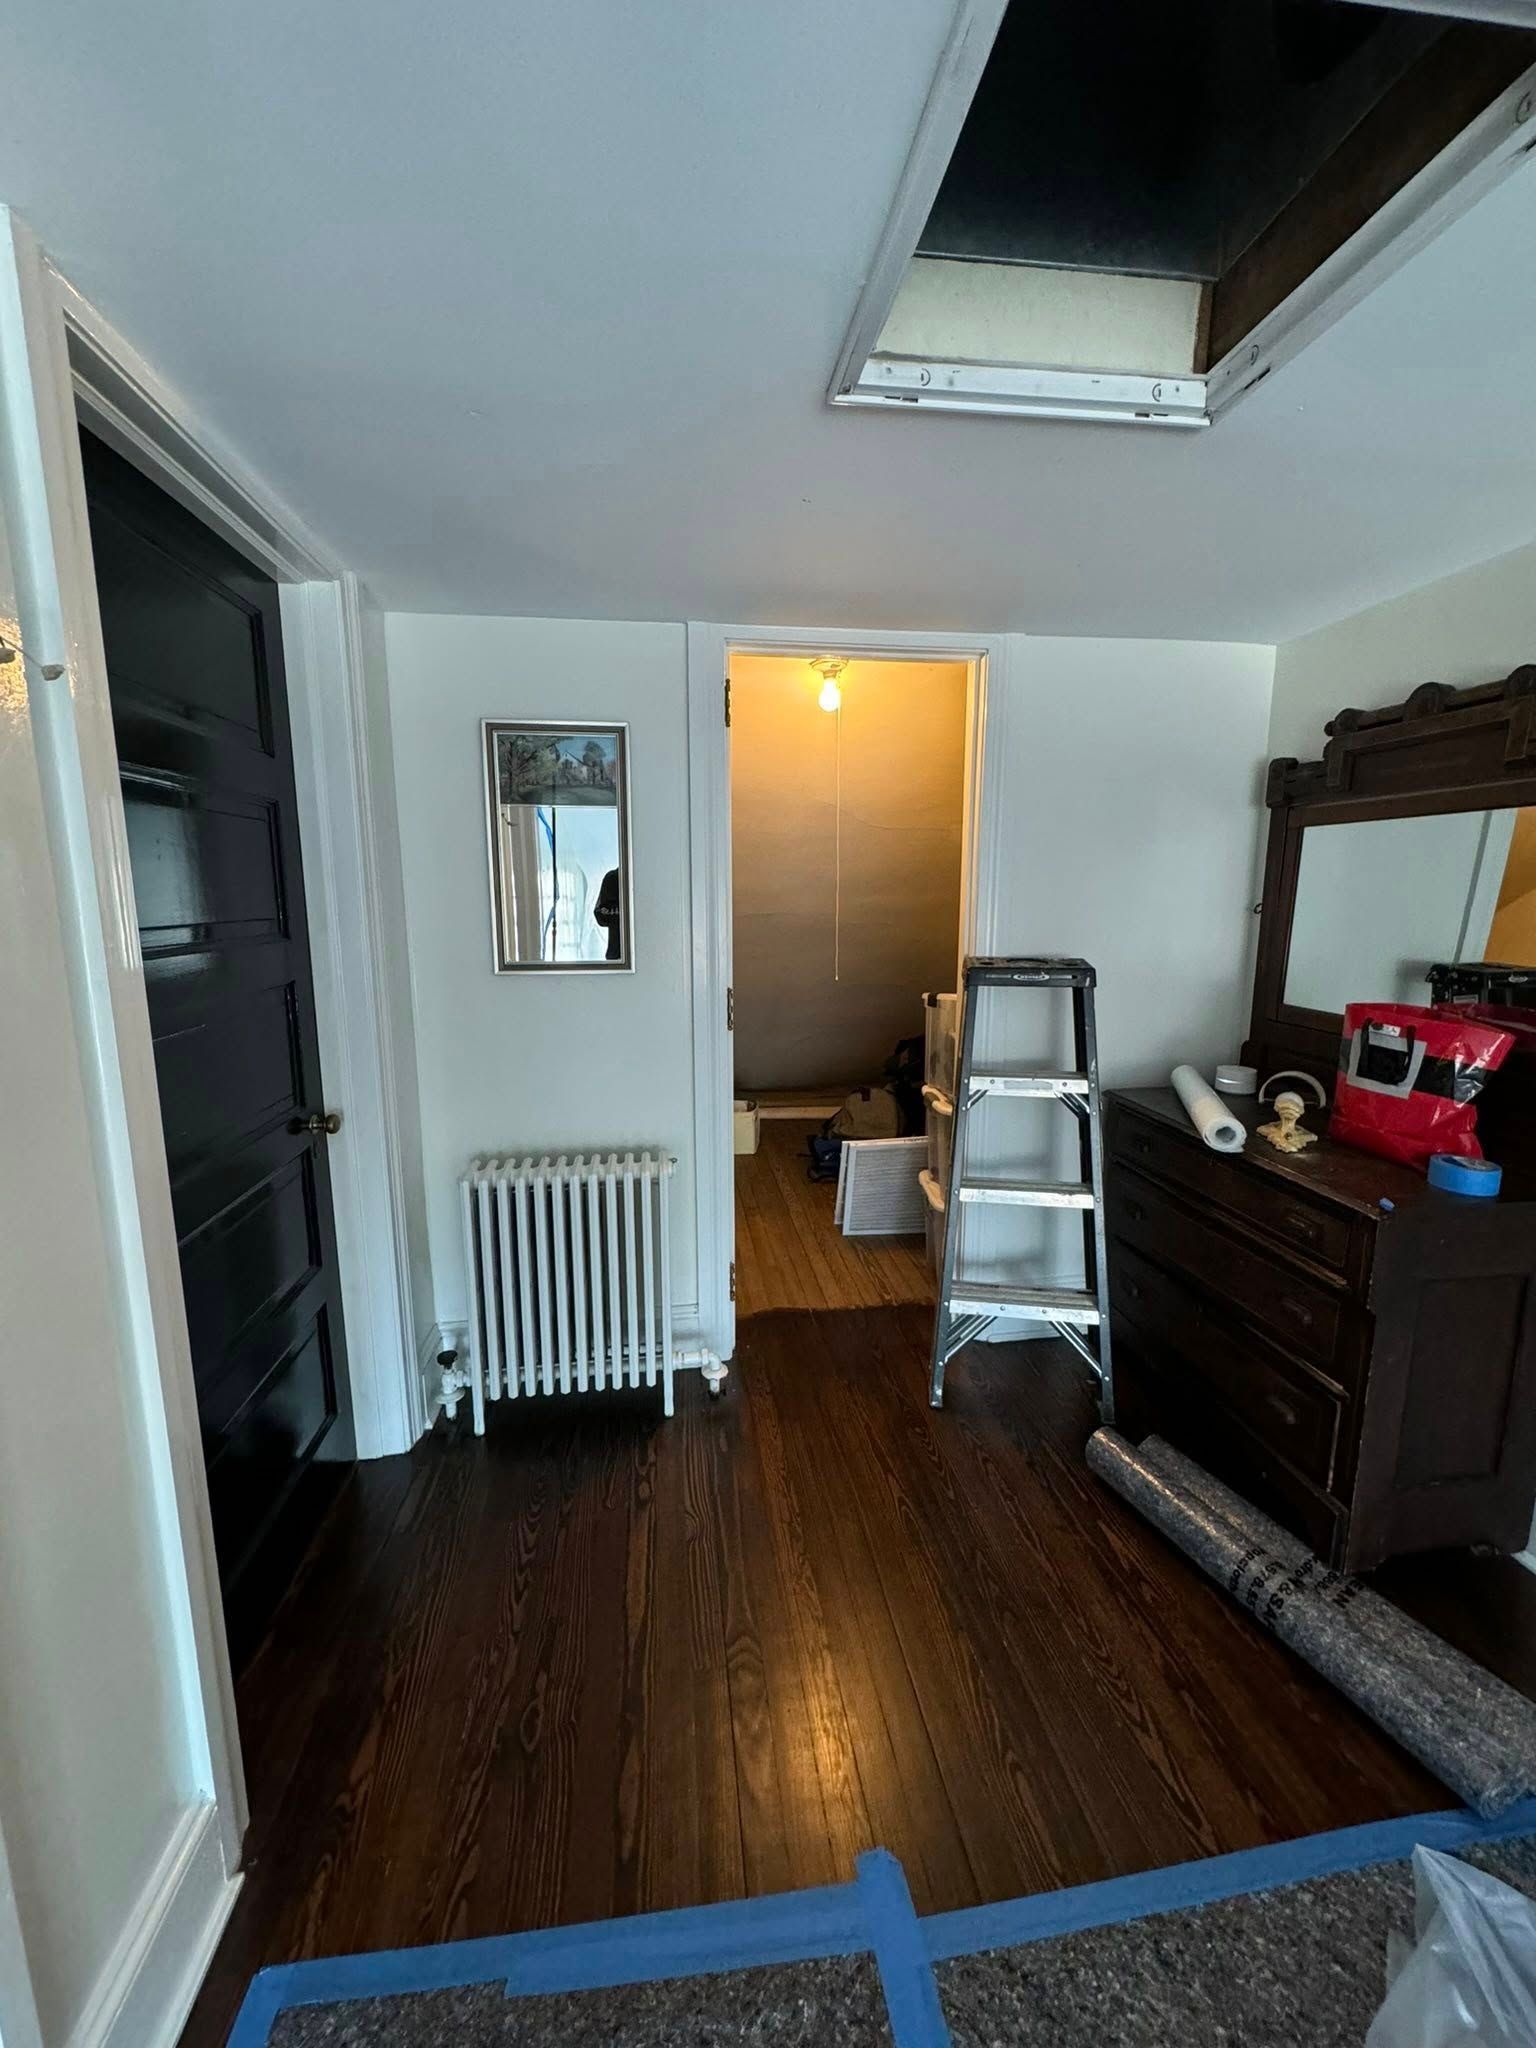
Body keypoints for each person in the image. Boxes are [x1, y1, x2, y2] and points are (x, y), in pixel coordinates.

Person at [594, 867, 623, 961]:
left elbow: (600, 914)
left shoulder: (612, 877)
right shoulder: (612, 877)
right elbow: (600, 914)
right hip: (617, 954)